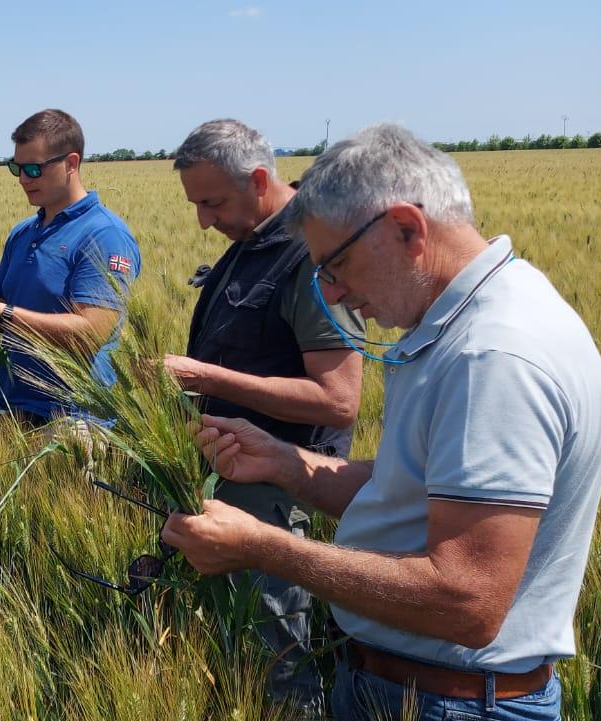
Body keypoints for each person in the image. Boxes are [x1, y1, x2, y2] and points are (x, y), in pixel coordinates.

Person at [163, 124, 601, 720]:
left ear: (406, 229)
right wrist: (286, 462)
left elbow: (467, 601)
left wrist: (265, 548)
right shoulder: (486, 314)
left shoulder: (491, 357)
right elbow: (414, 489)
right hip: (422, 691)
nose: (332, 295)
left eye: (336, 265)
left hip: (449, 702)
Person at [165, 118, 367, 714]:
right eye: (195, 204)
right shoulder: (252, 244)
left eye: (212, 203)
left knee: (277, 658)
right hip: (232, 474)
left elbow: (339, 399)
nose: (202, 221)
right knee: (240, 649)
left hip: (280, 487)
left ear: (258, 180)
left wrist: (207, 378)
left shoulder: (309, 256)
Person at [0, 109, 141, 427]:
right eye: (16, 168)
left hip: (73, 417)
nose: (23, 179)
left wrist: (2, 314)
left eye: (33, 169)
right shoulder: (23, 233)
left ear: (71, 163)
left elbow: (91, 334)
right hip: (8, 406)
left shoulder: (104, 236)